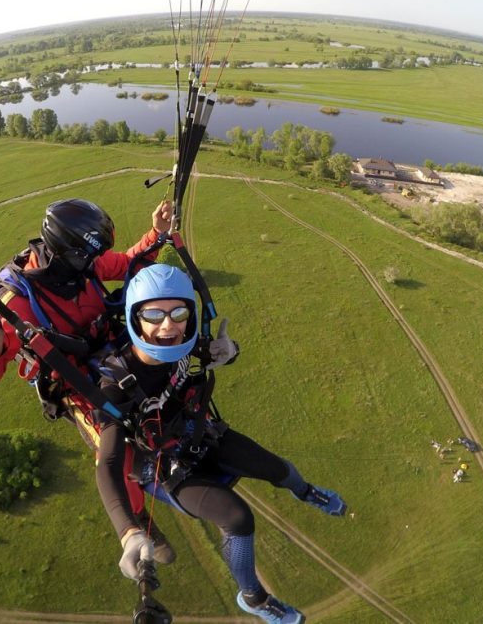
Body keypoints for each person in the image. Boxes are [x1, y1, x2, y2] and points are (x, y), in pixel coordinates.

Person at [93, 264, 346, 624]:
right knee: (238, 518)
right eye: (153, 315)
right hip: (162, 465)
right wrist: (128, 531)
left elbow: (216, 352)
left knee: (276, 468)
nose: (168, 326)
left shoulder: (185, 344)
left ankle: (305, 491)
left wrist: (230, 350)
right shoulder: (115, 384)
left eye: (179, 313)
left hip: (198, 432)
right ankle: (253, 597)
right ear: (135, 318)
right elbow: (108, 462)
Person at [0, 197, 176, 562]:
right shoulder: (17, 302)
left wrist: (156, 234)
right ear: (66, 252)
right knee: (118, 453)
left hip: (112, 355)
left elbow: (130, 265)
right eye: (88, 257)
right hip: (77, 384)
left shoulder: (84, 265)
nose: (95, 264)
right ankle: (137, 520)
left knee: (172, 384)